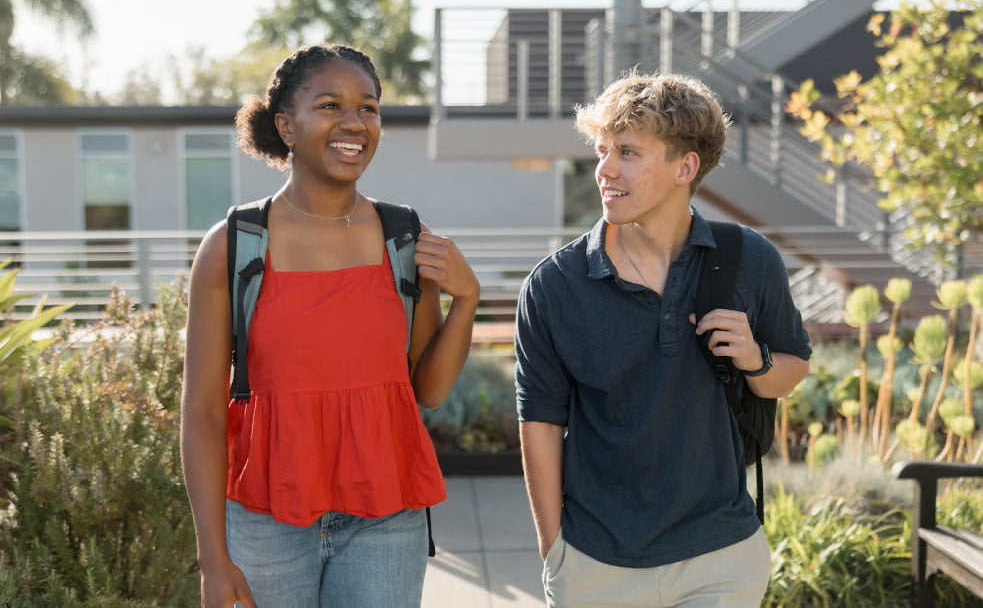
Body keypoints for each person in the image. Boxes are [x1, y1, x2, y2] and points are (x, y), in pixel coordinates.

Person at [180, 44, 479, 608]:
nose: (354, 123)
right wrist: (213, 558)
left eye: (368, 108)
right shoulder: (234, 245)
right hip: (266, 520)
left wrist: (468, 300)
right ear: (286, 127)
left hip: (387, 520)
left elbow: (429, 389)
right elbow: (201, 410)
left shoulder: (404, 238)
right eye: (330, 105)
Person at [515, 71, 812, 608]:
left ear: (686, 166)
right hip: (595, 563)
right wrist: (554, 548)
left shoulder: (749, 260)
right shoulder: (555, 285)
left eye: (627, 152)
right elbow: (539, 420)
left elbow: (788, 374)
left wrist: (755, 359)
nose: (604, 169)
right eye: (602, 151)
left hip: (719, 559)